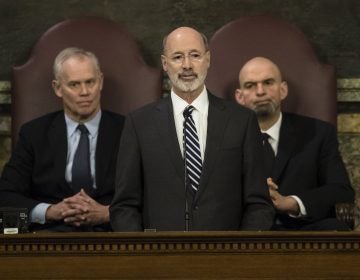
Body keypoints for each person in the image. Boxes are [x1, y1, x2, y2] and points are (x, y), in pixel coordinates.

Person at [110, 27, 274, 231]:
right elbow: (124, 206)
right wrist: (141, 256)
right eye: (178, 57)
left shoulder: (241, 120)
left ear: (208, 59)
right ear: (164, 64)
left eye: (194, 55)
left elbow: (259, 204)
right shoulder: (139, 123)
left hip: (227, 255)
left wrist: (241, 253)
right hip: (159, 256)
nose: (187, 65)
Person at [0, 47, 125, 232]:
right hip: (51, 236)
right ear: (57, 88)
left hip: (113, 237)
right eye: (74, 84)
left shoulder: (128, 130)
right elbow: (5, 195)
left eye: (90, 82)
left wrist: (107, 213)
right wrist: (51, 211)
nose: (84, 92)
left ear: (101, 82)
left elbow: (151, 195)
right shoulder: (34, 133)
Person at [235, 56, 355, 230]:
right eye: (250, 85)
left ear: (283, 90)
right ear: (240, 96)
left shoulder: (318, 133)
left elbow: (341, 190)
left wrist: (291, 203)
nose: (260, 91)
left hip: (303, 233)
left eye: (268, 82)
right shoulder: (224, 138)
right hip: (244, 237)